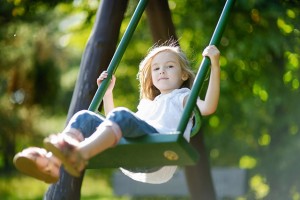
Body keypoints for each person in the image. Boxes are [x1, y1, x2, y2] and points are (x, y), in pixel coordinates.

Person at [13, 43, 220, 184]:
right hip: (133, 155)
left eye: (170, 66)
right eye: (156, 68)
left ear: (184, 74)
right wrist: (108, 94)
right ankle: (53, 162)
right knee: (84, 117)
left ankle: (79, 154)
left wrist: (215, 64)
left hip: (157, 157)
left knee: (123, 116)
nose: (162, 71)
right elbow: (115, 124)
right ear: (151, 77)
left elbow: (209, 107)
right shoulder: (148, 104)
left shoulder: (183, 97)